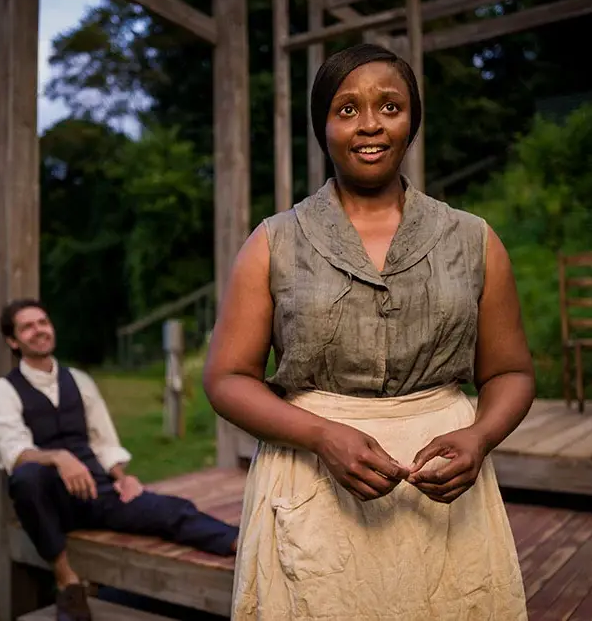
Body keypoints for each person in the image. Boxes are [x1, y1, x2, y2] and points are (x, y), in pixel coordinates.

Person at [203, 43, 535, 620]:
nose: (370, 124)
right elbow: (228, 378)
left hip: (445, 496)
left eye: (389, 106)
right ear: (323, 127)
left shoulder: (473, 239)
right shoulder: (274, 242)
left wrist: (480, 437)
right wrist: (321, 436)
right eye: (347, 109)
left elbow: (509, 372)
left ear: (411, 122)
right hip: (310, 488)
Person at [0, 298, 240, 621]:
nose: (39, 330)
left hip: (96, 491)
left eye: (43, 322)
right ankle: (67, 582)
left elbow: (104, 441)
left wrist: (121, 477)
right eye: (27, 326)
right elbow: (14, 453)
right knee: (27, 477)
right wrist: (60, 458)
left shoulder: (79, 380)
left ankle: (241, 544)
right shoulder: (1, 392)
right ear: (13, 340)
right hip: (52, 502)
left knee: (171, 510)